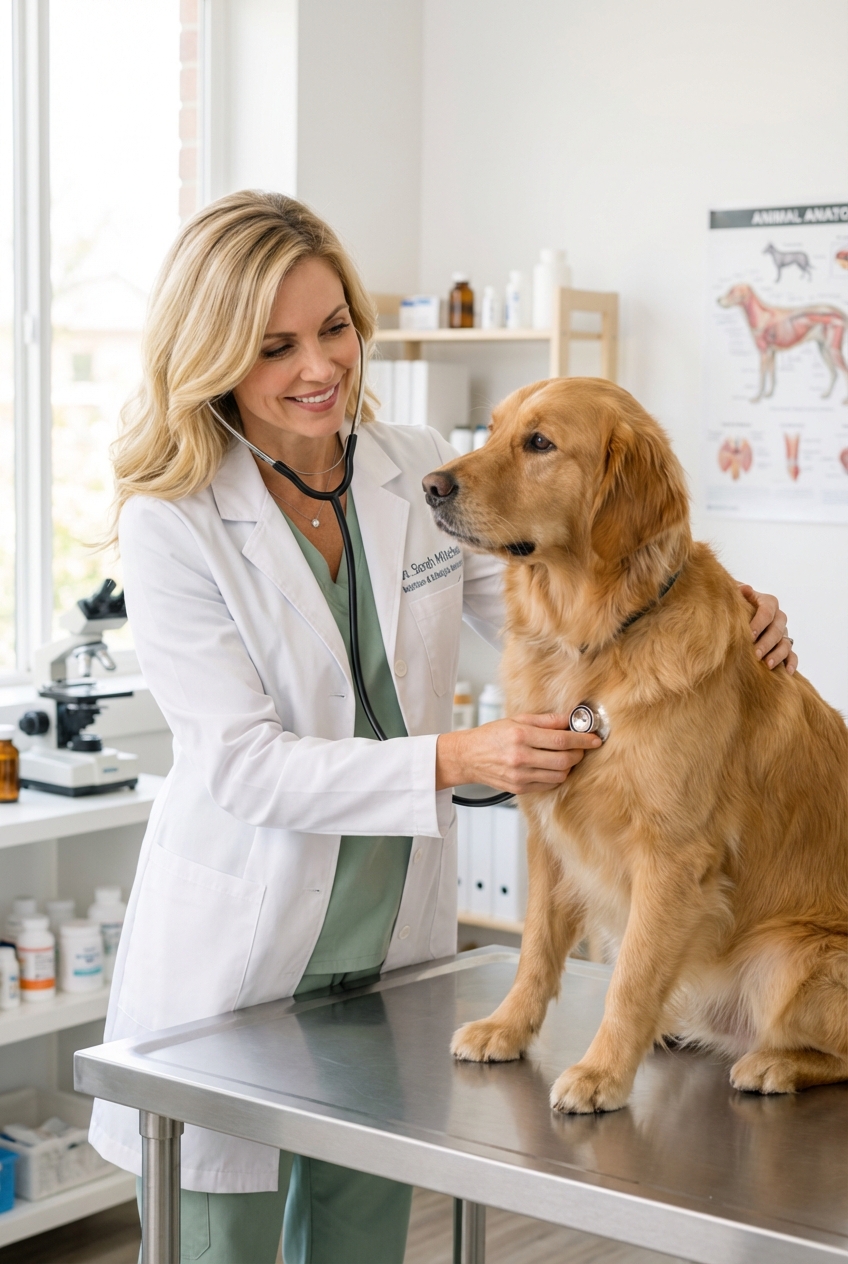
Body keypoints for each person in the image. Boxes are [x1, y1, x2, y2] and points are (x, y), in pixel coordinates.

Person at [88, 191, 797, 1264]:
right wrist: (459, 757)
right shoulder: (173, 519)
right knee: (216, 1246)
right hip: (239, 962)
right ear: (216, 354)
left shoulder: (403, 461)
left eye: (334, 327)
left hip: (385, 959)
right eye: (275, 345)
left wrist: (723, 599)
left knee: (362, 1242)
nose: (320, 366)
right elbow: (240, 766)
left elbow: (557, 587)